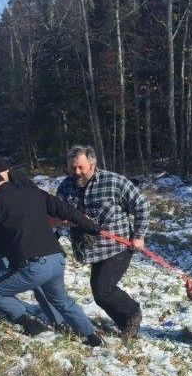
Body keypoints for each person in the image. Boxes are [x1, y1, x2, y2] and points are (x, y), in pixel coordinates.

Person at [0, 164, 106, 347]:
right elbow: (67, 210)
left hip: (35, 266)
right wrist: (91, 226)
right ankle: (92, 337)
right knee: (62, 300)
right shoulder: (33, 192)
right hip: (57, 260)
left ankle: (28, 323)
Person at [55, 145, 150, 340]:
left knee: (103, 289)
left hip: (117, 246)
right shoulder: (65, 187)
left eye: (81, 167)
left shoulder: (114, 182)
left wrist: (138, 236)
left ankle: (132, 313)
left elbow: (141, 204)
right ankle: (125, 323)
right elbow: (57, 215)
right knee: (99, 293)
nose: (77, 172)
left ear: (92, 163)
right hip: (91, 250)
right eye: (73, 168)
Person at [0, 152, 66, 331]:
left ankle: (58, 320)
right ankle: (14, 315)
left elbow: (41, 207)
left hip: (22, 242)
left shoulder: (22, 183)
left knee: (38, 281)